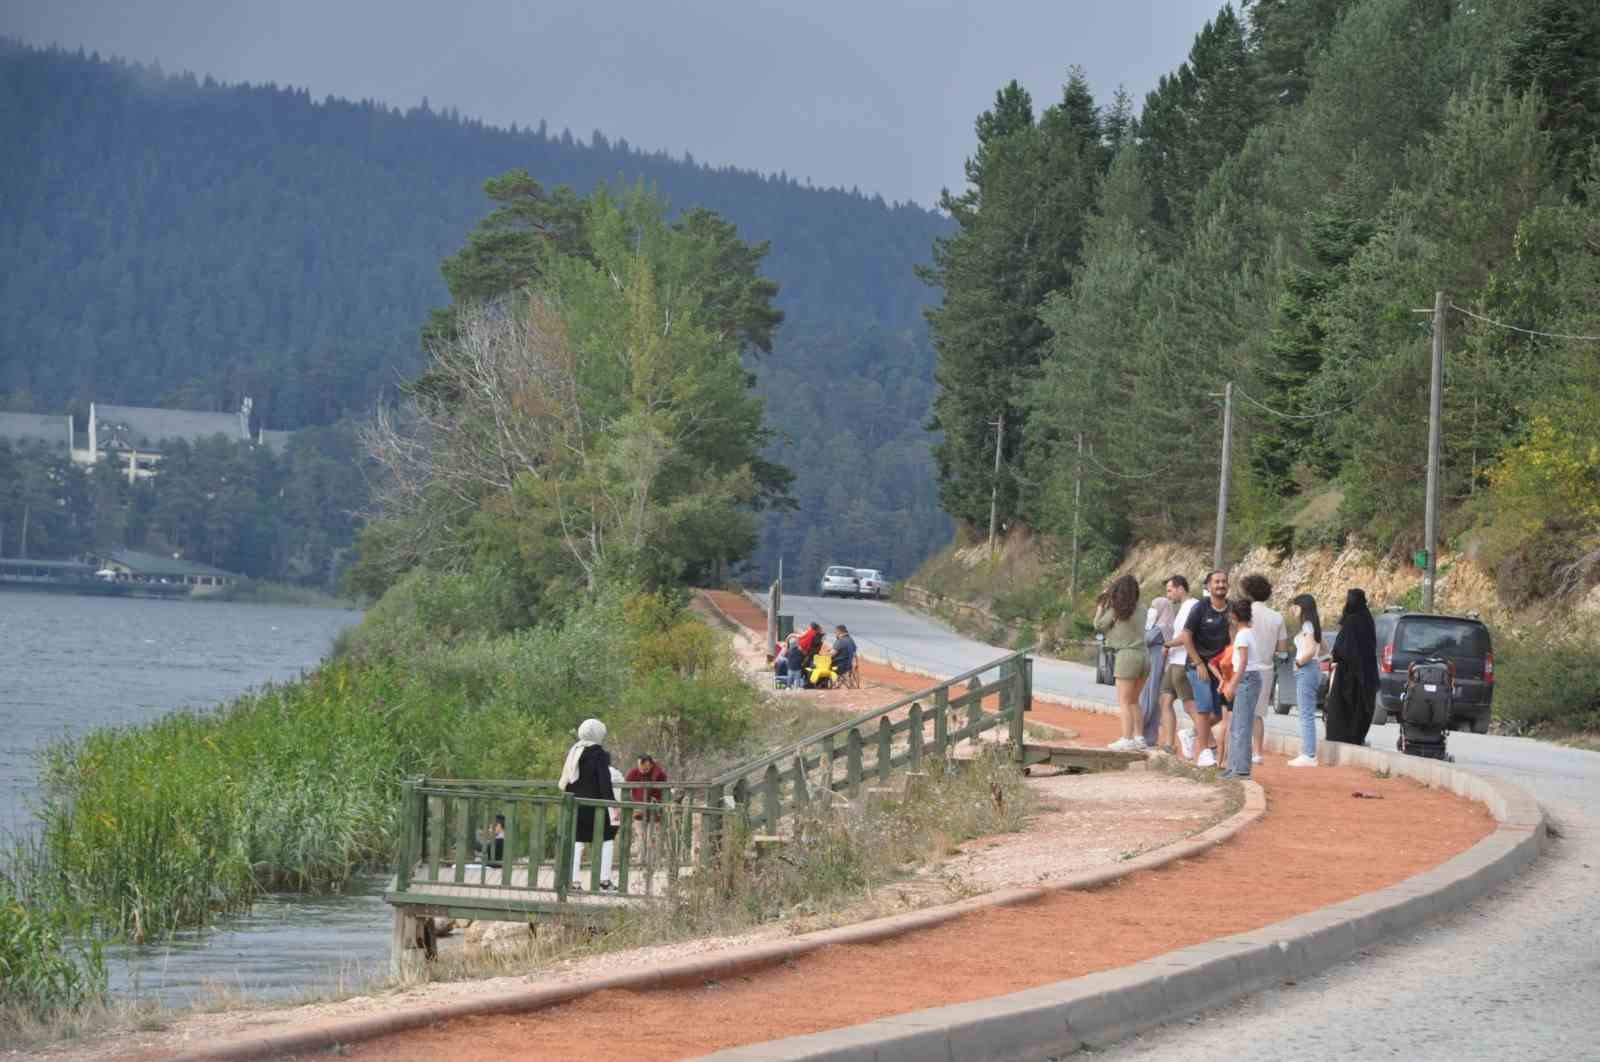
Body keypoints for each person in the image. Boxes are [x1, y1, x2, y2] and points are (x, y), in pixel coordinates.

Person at [1179, 570, 1232, 767]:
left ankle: (1191, 734)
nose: (1221, 585)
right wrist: (1199, 663)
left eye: (1224, 581)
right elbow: (1186, 636)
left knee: (1217, 714)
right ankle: (1203, 752)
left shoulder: (1231, 609)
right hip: (1197, 665)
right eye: (1216, 582)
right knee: (1204, 706)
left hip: (1219, 668)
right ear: (1208, 587)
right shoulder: (1200, 608)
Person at [559, 718, 618, 889]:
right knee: (607, 838)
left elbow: (570, 780)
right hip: (596, 805)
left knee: (577, 841)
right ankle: (604, 881)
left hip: (576, 803)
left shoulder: (575, 752)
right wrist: (612, 804)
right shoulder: (598, 754)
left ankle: (573, 881)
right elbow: (604, 782)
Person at [1094, 573, 1149, 751]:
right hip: (1144, 655)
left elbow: (1099, 626)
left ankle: (1127, 738)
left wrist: (1101, 607)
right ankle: (1139, 737)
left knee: (1124, 701)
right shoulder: (1142, 608)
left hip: (1126, 656)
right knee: (1134, 700)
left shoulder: (1116, 609)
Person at [1240, 574, 1289, 766]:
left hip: (1244, 666)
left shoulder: (1243, 613)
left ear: (1247, 592)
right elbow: (1283, 650)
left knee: (1240, 711)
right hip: (1266, 668)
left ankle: (1239, 750)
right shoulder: (1277, 617)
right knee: (1257, 713)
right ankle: (1258, 753)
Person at [1324, 588, 1379, 746]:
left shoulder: (1351, 621)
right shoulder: (1368, 619)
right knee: (1360, 708)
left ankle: (1343, 737)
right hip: (1365, 673)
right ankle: (1356, 737)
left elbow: (1342, 648)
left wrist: (1336, 658)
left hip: (1348, 673)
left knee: (1342, 709)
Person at [1220, 599, 1261, 780]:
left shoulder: (1243, 635)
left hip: (1246, 679)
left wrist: (1232, 684)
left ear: (1234, 616)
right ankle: (1233, 767)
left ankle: (1241, 769)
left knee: (1241, 726)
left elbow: (1243, 662)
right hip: (1248, 679)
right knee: (1237, 725)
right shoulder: (1248, 633)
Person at [1160, 575, 1199, 759]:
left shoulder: (1192, 606)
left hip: (1183, 661)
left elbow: (1185, 637)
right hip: (1174, 660)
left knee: (1190, 706)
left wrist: (1168, 644)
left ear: (1180, 588)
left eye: (1170, 590)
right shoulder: (1183, 607)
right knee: (1165, 700)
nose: (1168, 595)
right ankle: (1169, 745)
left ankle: (1204, 741)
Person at [1287, 593, 1323, 767]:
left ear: (1302, 607)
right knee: (1306, 713)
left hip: (1306, 670)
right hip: (1312, 669)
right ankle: (1308, 753)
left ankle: (1309, 754)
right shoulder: (1312, 626)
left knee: (1306, 714)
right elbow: (1323, 648)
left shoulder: (1307, 625)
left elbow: (1309, 650)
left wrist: (1299, 663)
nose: (1292, 609)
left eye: (1294, 606)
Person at [1139, 596, 1176, 750]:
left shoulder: (1162, 626)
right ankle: (1148, 737)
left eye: (1155, 607)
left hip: (1156, 663)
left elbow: (1146, 638)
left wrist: (1145, 626)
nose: (1152, 610)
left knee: (1149, 696)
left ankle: (1139, 733)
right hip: (1154, 662)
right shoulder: (1160, 624)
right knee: (1151, 699)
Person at [625, 753, 670, 856]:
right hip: (639, 810)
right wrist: (632, 803)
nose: (642, 770)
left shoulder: (660, 774)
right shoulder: (634, 772)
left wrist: (658, 802)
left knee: (653, 836)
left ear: (650, 764)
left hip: (655, 810)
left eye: (645, 768)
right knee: (640, 836)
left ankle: (652, 861)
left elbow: (664, 792)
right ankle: (641, 860)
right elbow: (625, 787)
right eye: (640, 767)